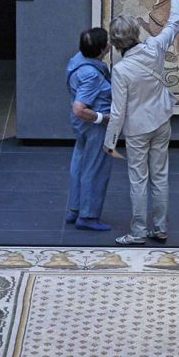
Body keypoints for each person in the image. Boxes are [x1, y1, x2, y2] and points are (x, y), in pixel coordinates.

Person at [104, 0, 179, 245]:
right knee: (160, 176)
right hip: (162, 119)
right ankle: (160, 228)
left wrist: (109, 142)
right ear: (136, 33)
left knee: (138, 180)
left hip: (138, 129)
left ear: (115, 42)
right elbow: (173, 23)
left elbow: (118, 111)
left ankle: (139, 231)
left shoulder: (121, 70)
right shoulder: (155, 47)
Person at [66, 27, 112, 230]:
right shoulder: (91, 75)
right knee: (96, 168)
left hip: (81, 127)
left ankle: (75, 208)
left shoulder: (77, 60)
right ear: (103, 49)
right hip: (95, 126)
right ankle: (88, 216)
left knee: (80, 162)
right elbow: (79, 108)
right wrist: (102, 118)